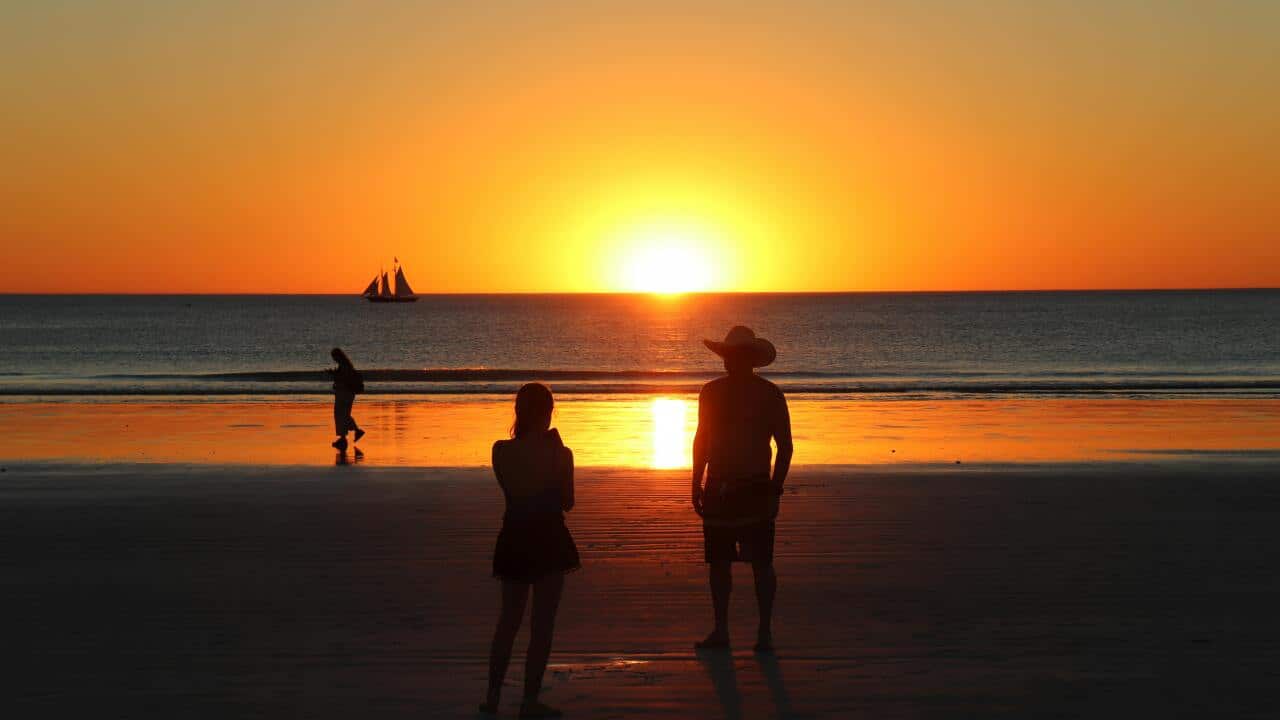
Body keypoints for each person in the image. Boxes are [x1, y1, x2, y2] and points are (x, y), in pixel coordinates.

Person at [691, 326, 793, 653]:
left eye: (730, 356)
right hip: (735, 487)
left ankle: (746, 632)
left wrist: (775, 489)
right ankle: (747, 632)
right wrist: (696, 480)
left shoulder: (725, 392)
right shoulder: (765, 393)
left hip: (738, 488)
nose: (727, 362)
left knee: (743, 564)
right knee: (742, 564)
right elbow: (702, 440)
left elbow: (785, 446)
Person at [482, 383, 580, 718]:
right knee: (542, 625)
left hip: (514, 535)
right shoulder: (560, 453)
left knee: (508, 622)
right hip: (549, 537)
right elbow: (567, 502)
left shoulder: (500, 451)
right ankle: (529, 700)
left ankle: (492, 696)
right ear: (549, 411)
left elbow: (511, 491)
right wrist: (558, 454)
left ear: (519, 411)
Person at [327, 348, 365, 451]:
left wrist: (334, 375)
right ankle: (354, 433)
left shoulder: (344, 366)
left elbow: (342, 379)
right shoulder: (346, 365)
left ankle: (343, 439)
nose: (334, 359)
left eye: (334, 357)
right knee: (344, 415)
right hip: (346, 393)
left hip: (344, 393)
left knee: (340, 415)